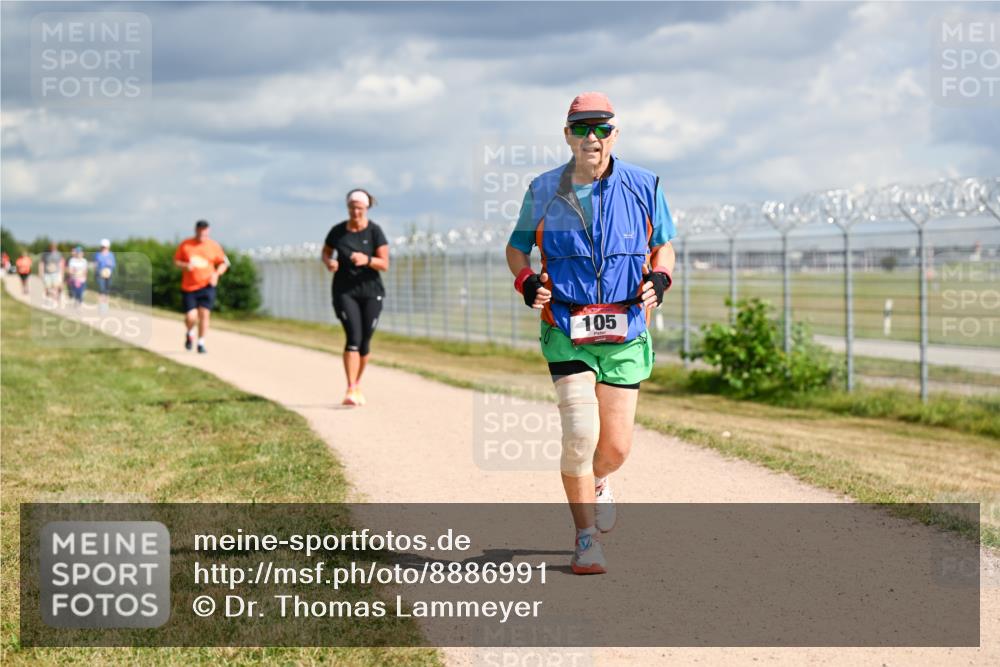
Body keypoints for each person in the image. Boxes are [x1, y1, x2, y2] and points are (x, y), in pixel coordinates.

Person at [505, 92, 676, 575]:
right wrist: (527, 280)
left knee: (615, 448)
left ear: (615, 134)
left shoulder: (645, 185)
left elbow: (664, 246)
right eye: (581, 128)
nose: (592, 137)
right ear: (567, 135)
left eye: (601, 128)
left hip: (626, 330)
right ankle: (585, 539)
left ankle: (598, 481)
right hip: (566, 327)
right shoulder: (543, 189)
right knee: (580, 433)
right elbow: (516, 250)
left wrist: (660, 277)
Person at [321, 189, 390, 406]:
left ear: (366, 208)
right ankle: (350, 388)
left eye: (359, 208)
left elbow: (384, 264)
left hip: (371, 291)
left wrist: (367, 260)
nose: (355, 212)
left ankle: (357, 383)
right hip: (344, 291)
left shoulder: (375, 232)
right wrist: (329, 262)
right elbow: (326, 252)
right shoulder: (338, 231)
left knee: (365, 340)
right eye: (352, 207)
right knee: (353, 337)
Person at [174, 220, 230, 354]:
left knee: (204, 314)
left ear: (208, 231)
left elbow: (224, 263)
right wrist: (185, 266)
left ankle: (201, 343)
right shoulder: (186, 244)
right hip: (189, 287)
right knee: (191, 317)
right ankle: (190, 332)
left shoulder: (214, 246)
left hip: (207, 285)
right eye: (200, 232)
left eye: (204, 232)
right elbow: (176, 261)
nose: (202, 235)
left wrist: (216, 274)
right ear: (196, 230)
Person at [94, 238, 117, 313]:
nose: (104, 248)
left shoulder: (111, 255)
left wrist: (109, 267)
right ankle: (101, 306)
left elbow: (113, 264)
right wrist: (97, 271)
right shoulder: (97, 254)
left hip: (108, 274)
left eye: (105, 247)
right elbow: (96, 264)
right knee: (101, 290)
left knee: (107, 290)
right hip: (100, 274)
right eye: (103, 247)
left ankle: (105, 306)